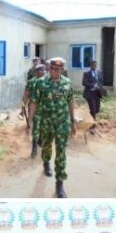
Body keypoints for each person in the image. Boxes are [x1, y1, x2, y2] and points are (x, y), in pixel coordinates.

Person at [28, 57, 77, 199]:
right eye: (53, 69)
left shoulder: (67, 83)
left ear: (62, 70)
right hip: (46, 122)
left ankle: (59, 183)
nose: (55, 71)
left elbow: (70, 103)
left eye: (58, 69)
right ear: (49, 69)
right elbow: (34, 103)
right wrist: (30, 121)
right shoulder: (41, 83)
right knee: (47, 146)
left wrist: (73, 122)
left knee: (61, 152)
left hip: (63, 123)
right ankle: (46, 162)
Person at [23, 64, 46, 159]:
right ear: (36, 72)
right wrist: (23, 106)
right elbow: (26, 94)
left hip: (46, 109)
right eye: (39, 70)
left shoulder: (49, 81)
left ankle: (40, 141)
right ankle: (34, 148)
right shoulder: (32, 81)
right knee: (35, 128)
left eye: (42, 70)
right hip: (34, 108)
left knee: (43, 127)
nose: (41, 72)